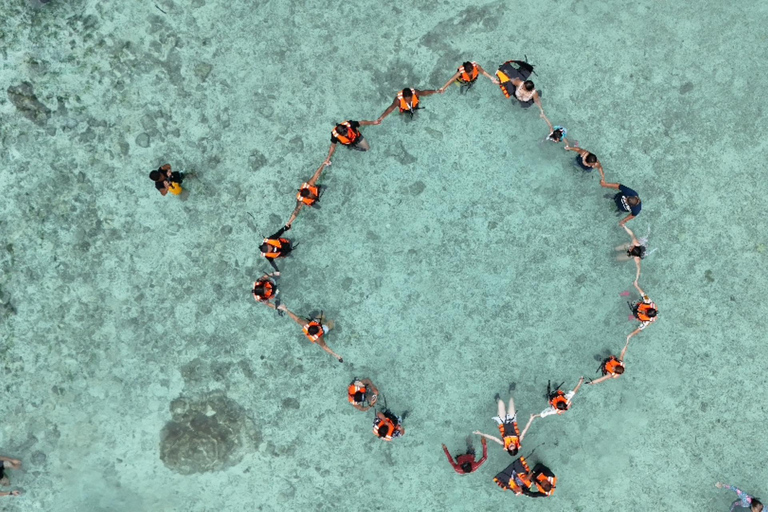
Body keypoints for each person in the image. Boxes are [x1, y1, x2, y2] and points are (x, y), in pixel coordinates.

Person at [276, 304, 343, 362]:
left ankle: (322, 319)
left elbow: (295, 318)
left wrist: (285, 309)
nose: (319, 326)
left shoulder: (305, 324)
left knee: (322, 316)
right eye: (318, 327)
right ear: (318, 331)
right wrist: (336, 355)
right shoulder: (319, 338)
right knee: (331, 323)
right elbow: (325, 347)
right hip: (323, 330)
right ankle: (332, 321)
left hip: (314, 328)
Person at [286, 162, 328, 228]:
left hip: (317, 192)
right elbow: (296, 212)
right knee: (318, 207)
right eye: (310, 195)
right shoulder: (301, 200)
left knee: (324, 187)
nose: (311, 193)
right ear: (307, 197)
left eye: (310, 192)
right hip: (311, 201)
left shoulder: (310, 184)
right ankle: (314, 202)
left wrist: (323, 164)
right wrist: (289, 222)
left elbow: (317, 174)